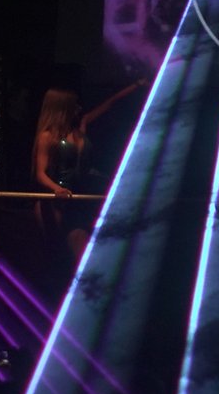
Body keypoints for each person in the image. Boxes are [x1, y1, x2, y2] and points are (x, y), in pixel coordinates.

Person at [33, 78, 146, 266]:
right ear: (63, 108)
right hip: (60, 198)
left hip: (83, 193)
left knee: (88, 240)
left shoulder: (80, 127)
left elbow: (110, 104)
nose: (78, 108)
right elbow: (40, 173)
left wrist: (136, 86)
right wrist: (57, 189)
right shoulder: (47, 136)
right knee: (65, 246)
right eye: (74, 105)